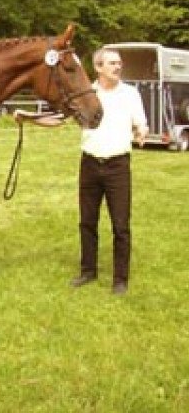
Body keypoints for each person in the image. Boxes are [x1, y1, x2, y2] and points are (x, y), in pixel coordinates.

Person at [70, 47, 148, 294]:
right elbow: (59, 118)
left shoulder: (131, 94)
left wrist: (142, 131)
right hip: (90, 164)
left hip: (118, 166)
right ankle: (88, 271)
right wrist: (26, 117)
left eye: (119, 63)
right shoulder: (88, 94)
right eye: (112, 63)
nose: (118, 66)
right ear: (99, 67)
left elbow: (141, 122)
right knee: (87, 222)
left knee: (121, 225)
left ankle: (120, 279)